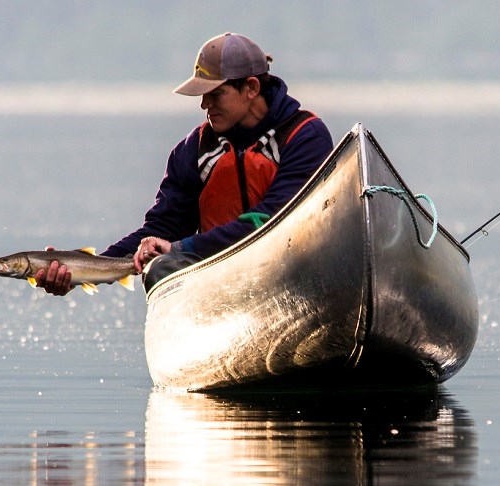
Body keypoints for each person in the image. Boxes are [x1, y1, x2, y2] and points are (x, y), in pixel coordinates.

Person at [36, 32, 334, 296]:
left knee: (170, 257)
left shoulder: (305, 136)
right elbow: (162, 228)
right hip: (222, 279)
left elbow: (272, 218)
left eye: (216, 93)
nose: (205, 104)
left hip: (294, 268)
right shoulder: (193, 149)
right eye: (203, 94)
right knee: (160, 267)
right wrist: (80, 269)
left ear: (251, 88)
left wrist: (182, 249)